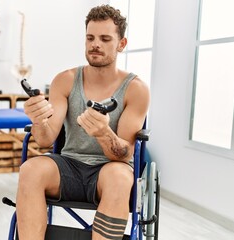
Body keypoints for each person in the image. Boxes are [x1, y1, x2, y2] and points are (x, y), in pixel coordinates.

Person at [16, 4, 150, 240]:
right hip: (69, 165)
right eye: (90, 38)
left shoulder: (136, 89)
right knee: (30, 169)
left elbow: (124, 154)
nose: (95, 44)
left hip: (109, 170)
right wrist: (38, 120)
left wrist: (103, 133)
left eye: (105, 38)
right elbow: (46, 139)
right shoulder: (65, 80)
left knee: (120, 177)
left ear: (121, 44)